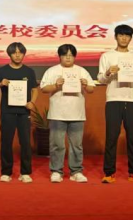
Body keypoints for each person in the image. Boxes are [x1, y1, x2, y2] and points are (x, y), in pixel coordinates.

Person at [97, 24, 133, 183]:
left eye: (127, 36)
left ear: (130, 38)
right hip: (113, 99)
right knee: (111, 137)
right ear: (115, 37)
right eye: (121, 35)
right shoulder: (107, 56)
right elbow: (101, 79)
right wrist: (108, 72)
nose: (124, 38)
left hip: (132, 100)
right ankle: (109, 173)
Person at [39, 44, 95, 183]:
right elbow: (44, 89)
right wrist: (56, 85)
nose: (68, 58)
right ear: (60, 56)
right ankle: (56, 171)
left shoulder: (81, 71)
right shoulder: (52, 71)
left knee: (76, 145)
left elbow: (91, 89)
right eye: (65, 55)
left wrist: (85, 85)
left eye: (71, 55)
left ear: (75, 57)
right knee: (57, 144)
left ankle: (76, 171)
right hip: (57, 114)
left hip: (77, 114)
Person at [0, 42, 39, 183]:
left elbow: (35, 90)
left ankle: (25, 172)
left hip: (24, 112)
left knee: (25, 142)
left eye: (20, 52)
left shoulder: (29, 71)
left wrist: (32, 103)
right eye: (14, 52)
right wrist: (0, 84)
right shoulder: (2, 71)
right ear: (10, 54)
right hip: (7, 111)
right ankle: (6, 172)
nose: (17, 55)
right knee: (6, 142)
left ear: (24, 54)